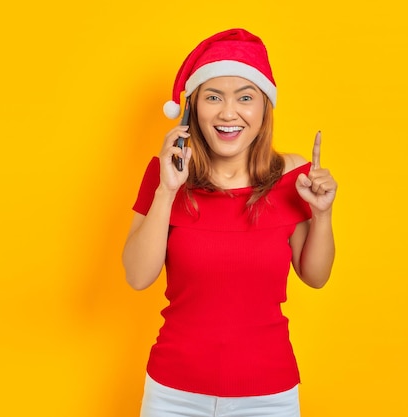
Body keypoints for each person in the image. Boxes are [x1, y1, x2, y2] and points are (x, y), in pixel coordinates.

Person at [122, 28, 337, 417]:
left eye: (245, 97)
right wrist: (167, 191)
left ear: (263, 109)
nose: (228, 113)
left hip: (269, 396)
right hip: (173, 393)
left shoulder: (295, 179)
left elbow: (316, 276)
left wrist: (322, 215)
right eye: (213, 97)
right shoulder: (165, 174)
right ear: (192, 109)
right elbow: (137, 276)